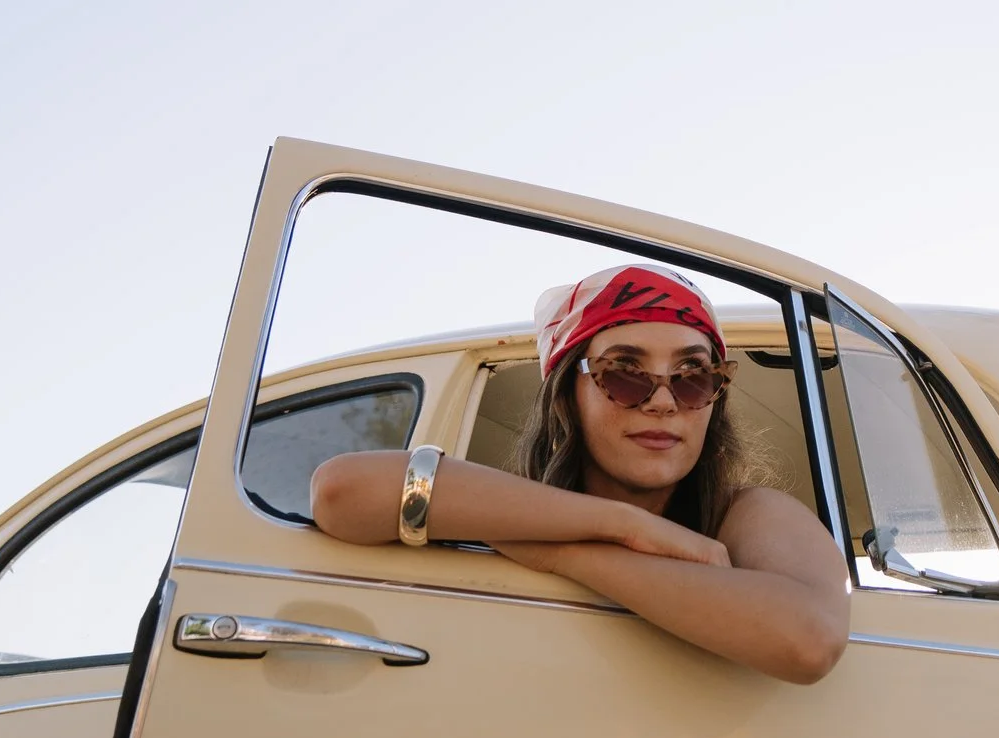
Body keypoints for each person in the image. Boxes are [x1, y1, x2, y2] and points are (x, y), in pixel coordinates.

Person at [310, 263, 849, 684]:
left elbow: (809, 640)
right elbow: (340, 492)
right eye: (625, 373)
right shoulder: (514, 507)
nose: (663, 402)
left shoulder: (744, 513)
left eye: (693, 375)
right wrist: (626, 526)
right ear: (567, 396)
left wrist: (562, 553)